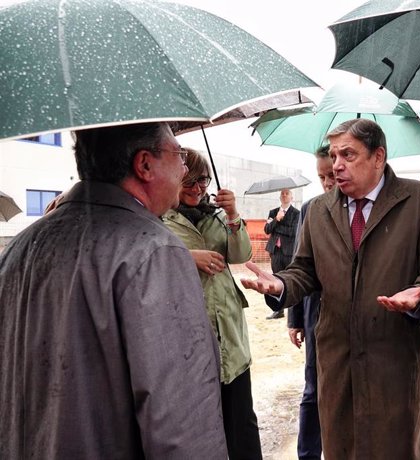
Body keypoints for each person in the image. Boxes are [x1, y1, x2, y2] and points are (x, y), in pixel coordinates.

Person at [0, 122, 227, 459]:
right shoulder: (154, 252)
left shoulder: (21, 245)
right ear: (145, 165)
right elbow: (182, 425)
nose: (184, 168)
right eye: (178, 155)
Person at [241, 118, 420, 459]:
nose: (336, 165)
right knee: (342, 447)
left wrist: (419, 299)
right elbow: (304, 270)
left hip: (396, 360)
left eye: (348, 155)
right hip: (338, 361)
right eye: (334, 156)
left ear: (378, 157)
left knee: (397, 449)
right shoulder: (318, 210)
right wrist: (280, 285)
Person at [161, 148, 262, 459]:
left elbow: (240, 255)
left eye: (202, 181)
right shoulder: (159, 218)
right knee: (201, 422)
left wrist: (233, 216)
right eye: (189, 181)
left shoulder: (217, 216)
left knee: (241, 419)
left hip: (229, 330)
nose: (197, 189)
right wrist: (187, 258)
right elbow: (148, 258)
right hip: (189, 331)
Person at [286, 145, 334, 460]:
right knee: (312, 390)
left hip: (347, 316)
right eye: (322, 177)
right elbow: (298, 264)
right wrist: (294, 319)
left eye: (331, 175)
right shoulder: (311, 208)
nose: (328, 182)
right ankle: (307, 454)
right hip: (315, 312)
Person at [263, 188, 300, 319]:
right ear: (280, 197)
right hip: (275, 252)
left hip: (289, 252)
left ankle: (293, 311)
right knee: (276, 279)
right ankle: (278, 310)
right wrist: (276, 220)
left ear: (291, 197)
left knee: (291, 280)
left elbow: (294, 232)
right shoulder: (273, 212)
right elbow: (267, 229)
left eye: (287, 193)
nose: (284, 195)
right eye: (282, 194)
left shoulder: (297, 214)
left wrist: (277, 225)